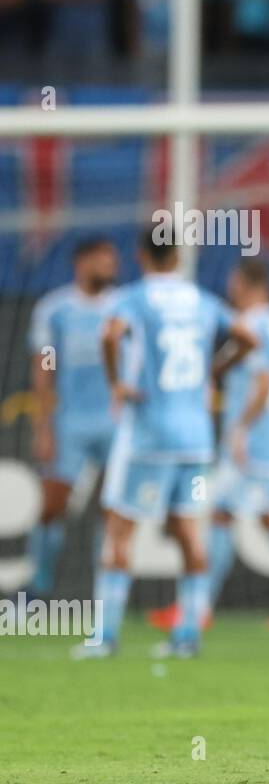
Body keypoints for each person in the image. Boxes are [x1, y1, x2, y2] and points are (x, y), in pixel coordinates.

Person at [82, 233, 256, 658]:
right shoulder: (202, 299)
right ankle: (188, 636)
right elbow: (249, 339)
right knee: (189, 534)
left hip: (148, 437)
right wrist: (213, 370)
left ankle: (105, 638)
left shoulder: (133, 298)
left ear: (141, 255)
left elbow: (109, 336)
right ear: (179, 256)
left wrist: (117, 384)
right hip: (196, 440)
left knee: (120, 530)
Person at [149, 259, 269, 633]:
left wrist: (242, 429)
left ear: (247, 285)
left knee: (221, 513)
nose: (231, 290)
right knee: (266, 514)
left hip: (255, 434)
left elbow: (263, 382)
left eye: (234, 283)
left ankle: (197, 608)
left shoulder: (257, 325)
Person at [22, 237, 118, 604]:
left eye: (113, 262)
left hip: (115, 422)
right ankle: (39, 587)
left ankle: (105, 595)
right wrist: (43, 424)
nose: (110, 268)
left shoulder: (122, 306)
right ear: (82, 262)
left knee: (112, 510)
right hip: (70, 423)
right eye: (103, 261)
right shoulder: (55, 310)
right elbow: (45, 365)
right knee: (52, 506)